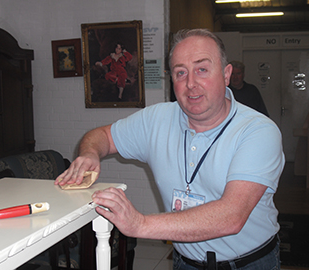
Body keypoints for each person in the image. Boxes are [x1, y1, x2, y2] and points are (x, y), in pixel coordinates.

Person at [55, 29, 285, 269]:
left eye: (202, 69)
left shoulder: (258, 131)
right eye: (180, 72)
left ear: (226, 75)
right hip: (185, 262)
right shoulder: (157, 119)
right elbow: (101, 136)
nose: (191, 83)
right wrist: (90, 153)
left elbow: (231, 216)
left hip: (249, 263)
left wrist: (140, 224)